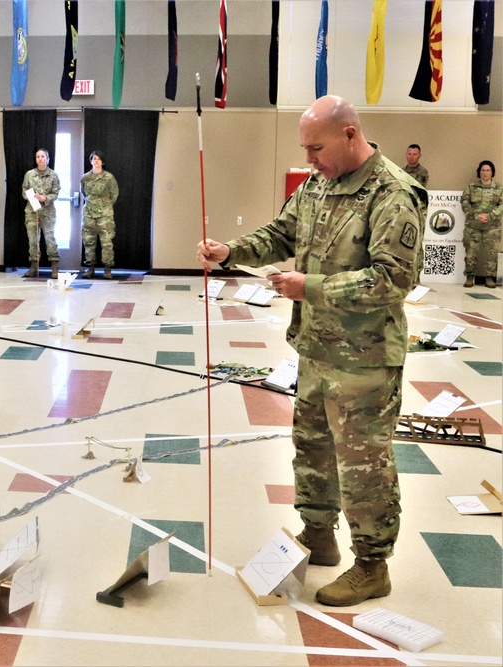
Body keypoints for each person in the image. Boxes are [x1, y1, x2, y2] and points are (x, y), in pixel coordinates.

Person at [197, 95, 425, 607]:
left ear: (350, 135)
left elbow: (395, 279)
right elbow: (281, 233)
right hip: (318, 349)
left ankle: (371, 565)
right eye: (305, 149)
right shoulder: (320, 183)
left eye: (316, 148)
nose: (310, 159)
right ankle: (318, 537)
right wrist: (232, 251)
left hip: (365, 360)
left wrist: (313, 287)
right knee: (314, 452)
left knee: (363, 466)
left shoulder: (392, 193)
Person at [460, 160, 502, 288]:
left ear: (492, 172)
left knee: (492, 253)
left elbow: (501, 205)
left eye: (488, 170)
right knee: (471, 252)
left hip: (492, 226)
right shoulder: (471, 187)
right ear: (479, 172)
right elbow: (464, 202)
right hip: (473, 226)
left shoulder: (499, 188)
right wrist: (476, 215)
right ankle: (470, 276)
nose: (485, 173)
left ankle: (490, 278)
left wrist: (490, 216)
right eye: (483, 170)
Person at [21, 148, 61, 277]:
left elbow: (55, 193)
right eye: (38, 156)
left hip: (48, 212)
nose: (40, 159)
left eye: (43, 156)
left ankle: (54, 267)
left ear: (48, 159)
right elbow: (24, 190)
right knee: (33, 240)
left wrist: (45, 198)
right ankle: (33, 266)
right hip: (32, 210)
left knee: (50, 239)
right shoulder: (29, 174)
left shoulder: (53, 175)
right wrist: (32, 197)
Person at [80, 150, 119, 279]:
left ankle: (107, 269)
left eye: (98, 159)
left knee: (106, 243)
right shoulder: (85, 178)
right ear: (91, 161)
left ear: (102, 161)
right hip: (89, 214)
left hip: (105, 215)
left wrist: (104, 205)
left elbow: (114, 195)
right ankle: (90, 268)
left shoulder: (109, 177)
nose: (96, 161)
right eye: (93, 159)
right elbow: (84, 193)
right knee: (88, 242)